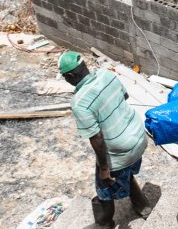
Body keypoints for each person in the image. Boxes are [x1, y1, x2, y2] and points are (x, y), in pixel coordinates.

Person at [58, 51, 152, 229]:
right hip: (138, 137)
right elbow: (124, 97)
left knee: (104, 188)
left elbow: (97, 138)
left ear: (70, 76)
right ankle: (143, 206)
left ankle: (103, 224)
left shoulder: (80, 103)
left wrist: (103, 169)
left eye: (65, 77)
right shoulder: (106, 74)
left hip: (120, 150)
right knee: (126, 172)